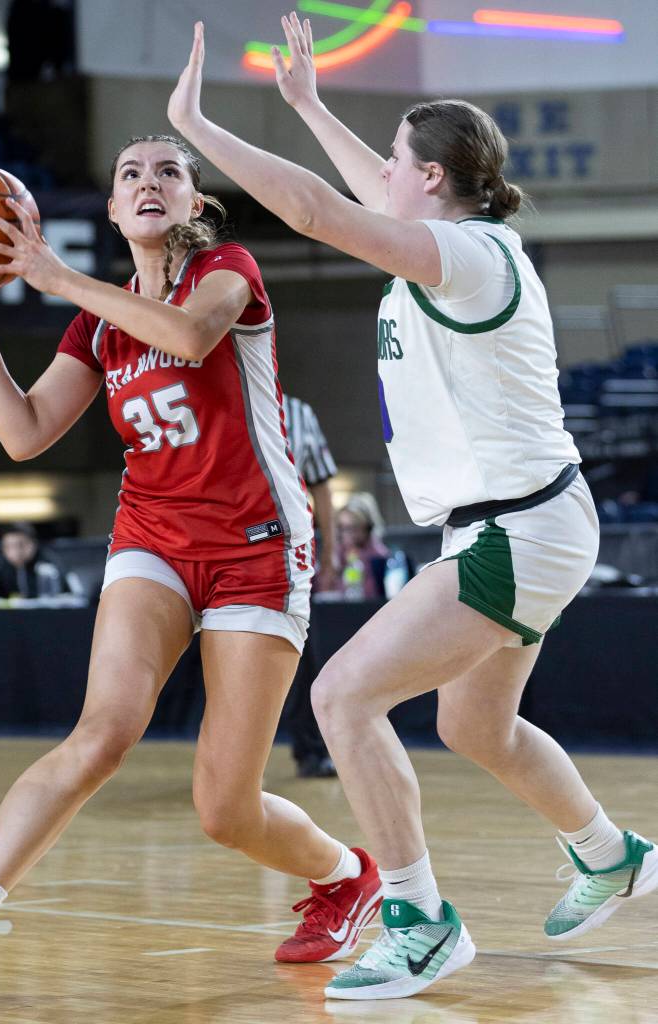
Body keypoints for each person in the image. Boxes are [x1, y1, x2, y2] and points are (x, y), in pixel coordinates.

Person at [167, 18, 658, 1001]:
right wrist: (307, 104)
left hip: (511, 526)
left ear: (428, 178)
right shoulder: (458, 242)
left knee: (343, 697)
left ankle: (418, 918)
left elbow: (312, 208)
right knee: (476, 726)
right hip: (526, 520)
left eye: (394, 157)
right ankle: (608, 853)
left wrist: (198, 125)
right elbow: (357, 192)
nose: (381, 170)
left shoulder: (465, 256)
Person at [0, 134, 384, 1013]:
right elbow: (24, 433)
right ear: (115, 212)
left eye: (169, 171)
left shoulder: (227, 270)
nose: (148, 182)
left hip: (257, 549)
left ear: (194, 203)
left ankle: (349, 877)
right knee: (101, 733)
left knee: (224, 810)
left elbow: (192, 339)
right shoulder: (96, 322)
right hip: (152, 537)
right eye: (129, 174)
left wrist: (55, 277)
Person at [281, 392, 338, 776]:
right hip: (221, 545)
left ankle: (311, 749)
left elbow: (321, 488)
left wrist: (331, 552)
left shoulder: (299, 411)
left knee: (305, 659)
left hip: (288, 554)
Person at [0, 521, 72, 600]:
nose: (15, 552)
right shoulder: (2, 567)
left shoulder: (48, 565)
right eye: (8, 546)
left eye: (20, 545)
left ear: (33, 544)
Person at [335, 493, 390, 600]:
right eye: (341, 528)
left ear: (366, 528)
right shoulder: (338, 553)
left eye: (351, 528)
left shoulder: (379, 556)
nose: (345, 534)